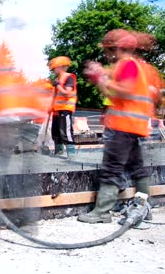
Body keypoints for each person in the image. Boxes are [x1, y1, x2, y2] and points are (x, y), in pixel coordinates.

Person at [79, 31, 154, 223]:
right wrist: (101, 76)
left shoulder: (128, 64)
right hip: (134, 126)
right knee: (137, 169)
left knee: (112, 167)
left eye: (109, 49)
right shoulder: (133, 65)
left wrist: (102, 79)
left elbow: (125, 91)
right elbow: (113, 89)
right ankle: (144, 208)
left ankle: (102, 211)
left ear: (117, 48)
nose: (108, 54)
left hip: (124, 126)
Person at [48, 56, 77, 156]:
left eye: (54, 68)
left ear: (60, 67)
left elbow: (67, 93)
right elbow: (55, 96)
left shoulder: (68, 77)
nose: (53, 70)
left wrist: (58, 85)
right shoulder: (57, 79)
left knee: (66, 131)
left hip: (65, 109)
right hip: (57, 109)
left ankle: (71, 153)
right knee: (55, 132)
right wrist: (50, 107)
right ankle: (59, 151)